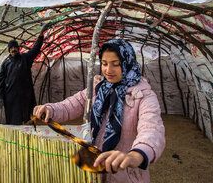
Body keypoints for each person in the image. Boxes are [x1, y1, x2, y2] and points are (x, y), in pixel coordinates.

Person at [33, 39, 165, 183]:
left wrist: (135, 155)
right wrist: (51, 109)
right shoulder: (99, 89)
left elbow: (152, 129)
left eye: (116, 64)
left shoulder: (142, 96)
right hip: (95, 170)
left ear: (127, 63)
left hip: (125, 175)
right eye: (104, 63)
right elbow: (72, 104)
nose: (108, 70)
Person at [0, 23, 49, 125]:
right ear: (9, 50)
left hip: (25, 95)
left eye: (15, 47)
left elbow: (35, 49)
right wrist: (0, 97)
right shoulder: (5, 64)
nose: (13, 49)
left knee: (28, 118)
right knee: (13, 120)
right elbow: (0, 82)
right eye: (11, 48)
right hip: (10, 97)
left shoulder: (25, 58)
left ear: (18, 48)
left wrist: (41, 35)